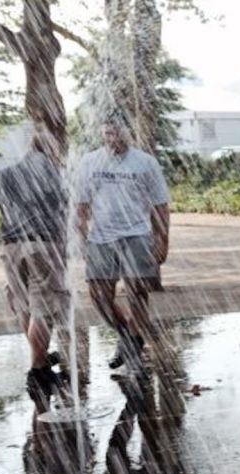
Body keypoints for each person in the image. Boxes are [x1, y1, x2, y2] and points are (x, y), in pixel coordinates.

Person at [0, 130, 70, 409]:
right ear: (49, 150)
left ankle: (39, 361)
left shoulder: (6, 174)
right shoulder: (57, 176)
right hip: (45, 246)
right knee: (43, 308)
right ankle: (38, 370)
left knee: (24, 307)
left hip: (13, 247)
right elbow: (70, 214)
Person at [74, 117, 170, 371]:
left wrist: (163, 239)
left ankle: (135, 354)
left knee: (137, 293)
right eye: (107, 134)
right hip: (101, 238)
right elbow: (81, 206)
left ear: (128, 132)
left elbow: (160, 205)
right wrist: (81, 237)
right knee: (99, 296)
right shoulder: (90, 161)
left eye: (116, 134)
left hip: (136, 235)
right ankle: (129, 334)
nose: (112, 139)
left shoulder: (146, 163)